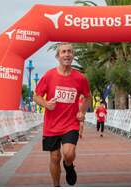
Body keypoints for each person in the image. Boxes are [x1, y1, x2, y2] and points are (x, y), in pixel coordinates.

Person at [33, 42, 91, 187]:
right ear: (58, 56)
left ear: (73, 55)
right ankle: (56, 186)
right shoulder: (49, 75)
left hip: (71, 123)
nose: (67, 54)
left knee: (69, 153)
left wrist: (82, 111)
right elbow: (36, 96)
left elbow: (88, 97)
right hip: (52, 125)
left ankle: (69, 165)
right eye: (63, 52)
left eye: (69, 52)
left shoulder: (80, 78)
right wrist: (46, 104)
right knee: (54, 156)